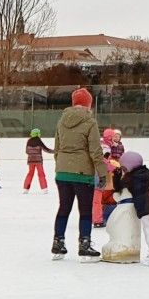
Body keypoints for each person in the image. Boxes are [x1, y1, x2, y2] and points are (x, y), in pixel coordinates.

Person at [51, 88, 107, 262]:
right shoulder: (90, 122)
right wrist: (102, 173)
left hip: (62, 173)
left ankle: (58, 242)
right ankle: (85, 244)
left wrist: (62, 166)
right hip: (83, 174)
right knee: (85, 211)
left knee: (63, 208)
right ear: (88, 104)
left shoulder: (62, 121)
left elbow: (57, 148)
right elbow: (96, 151)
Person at [114, 151, 149, 266]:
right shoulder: (142, 173)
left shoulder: (133, 178)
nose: (123, 170)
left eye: (124, 168)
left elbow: (120, 187)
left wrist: (117, 177)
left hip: (147, 205)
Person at [93, 129, 119, 228]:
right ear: (109, 137)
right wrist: (113, 168)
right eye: (113, 137)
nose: (114, 139)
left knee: (95, 199)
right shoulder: (106, 148)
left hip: (95, 173)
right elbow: (103, 161)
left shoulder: (102, 144)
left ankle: (95, 218)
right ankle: (97, 220)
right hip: (98, 175)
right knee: (97, 199)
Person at [24, 128, 53, 194]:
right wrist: (54, 151)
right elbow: (46, 149)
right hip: (38, 161)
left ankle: (26, 189)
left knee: (30, 174)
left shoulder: (29, 141)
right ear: (37, 134)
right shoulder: (39, 141)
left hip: (30, 161)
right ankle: (44, 189)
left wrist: (32, 154)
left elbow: (27, 151)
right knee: (41, 174)